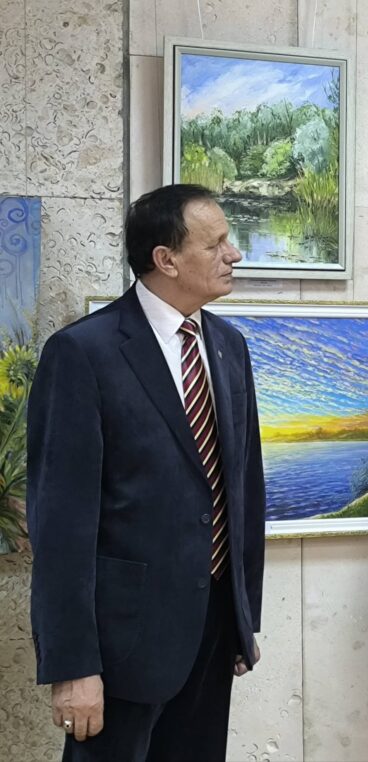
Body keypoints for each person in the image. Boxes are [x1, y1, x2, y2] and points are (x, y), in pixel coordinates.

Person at [27, 184, 267, 761]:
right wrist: (73, 665)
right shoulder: (83, 353)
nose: (233, 254)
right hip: (120, 646)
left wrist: (242, 617)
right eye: (215, 244)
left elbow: (244, 488)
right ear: (166, 259)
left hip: (212, 631)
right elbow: (61, 524)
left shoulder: (228, 346)